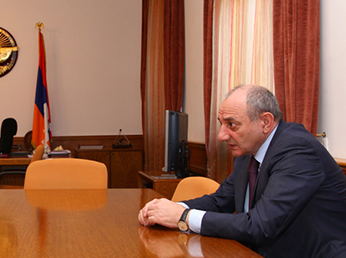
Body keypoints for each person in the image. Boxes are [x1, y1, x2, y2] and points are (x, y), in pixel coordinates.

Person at [139, 85, 346, 257]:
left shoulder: (298, 151)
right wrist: (167, 209)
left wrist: (183, 217)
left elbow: (260, 226)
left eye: (232, 125)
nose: (222, 135)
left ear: (265, 122)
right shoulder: (248, 150)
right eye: (222, 124)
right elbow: (220, 201)